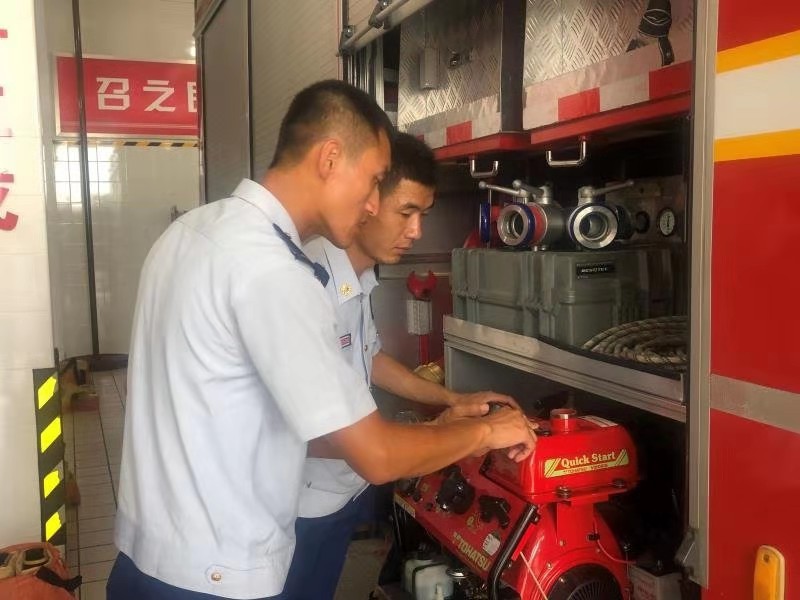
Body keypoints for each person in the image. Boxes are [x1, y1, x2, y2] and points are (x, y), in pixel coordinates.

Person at [107, 80, 535, 600]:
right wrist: (487, 432)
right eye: (373, 181)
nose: (372, 203)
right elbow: (376, 456)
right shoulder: (275, 272)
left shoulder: (190, 232)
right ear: (330, 158)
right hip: (214, 575)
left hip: (143, 560)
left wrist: (446, 409)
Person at [282, 133, 521, 599]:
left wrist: (453, 399)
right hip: (299, 505)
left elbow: (370, 358)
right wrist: (448, 432)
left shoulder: (361, 276)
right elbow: (308, 433)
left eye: (423, 215)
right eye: (406, 212)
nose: (416, 231)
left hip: (342, 493)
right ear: (367, 199)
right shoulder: (308, 282)